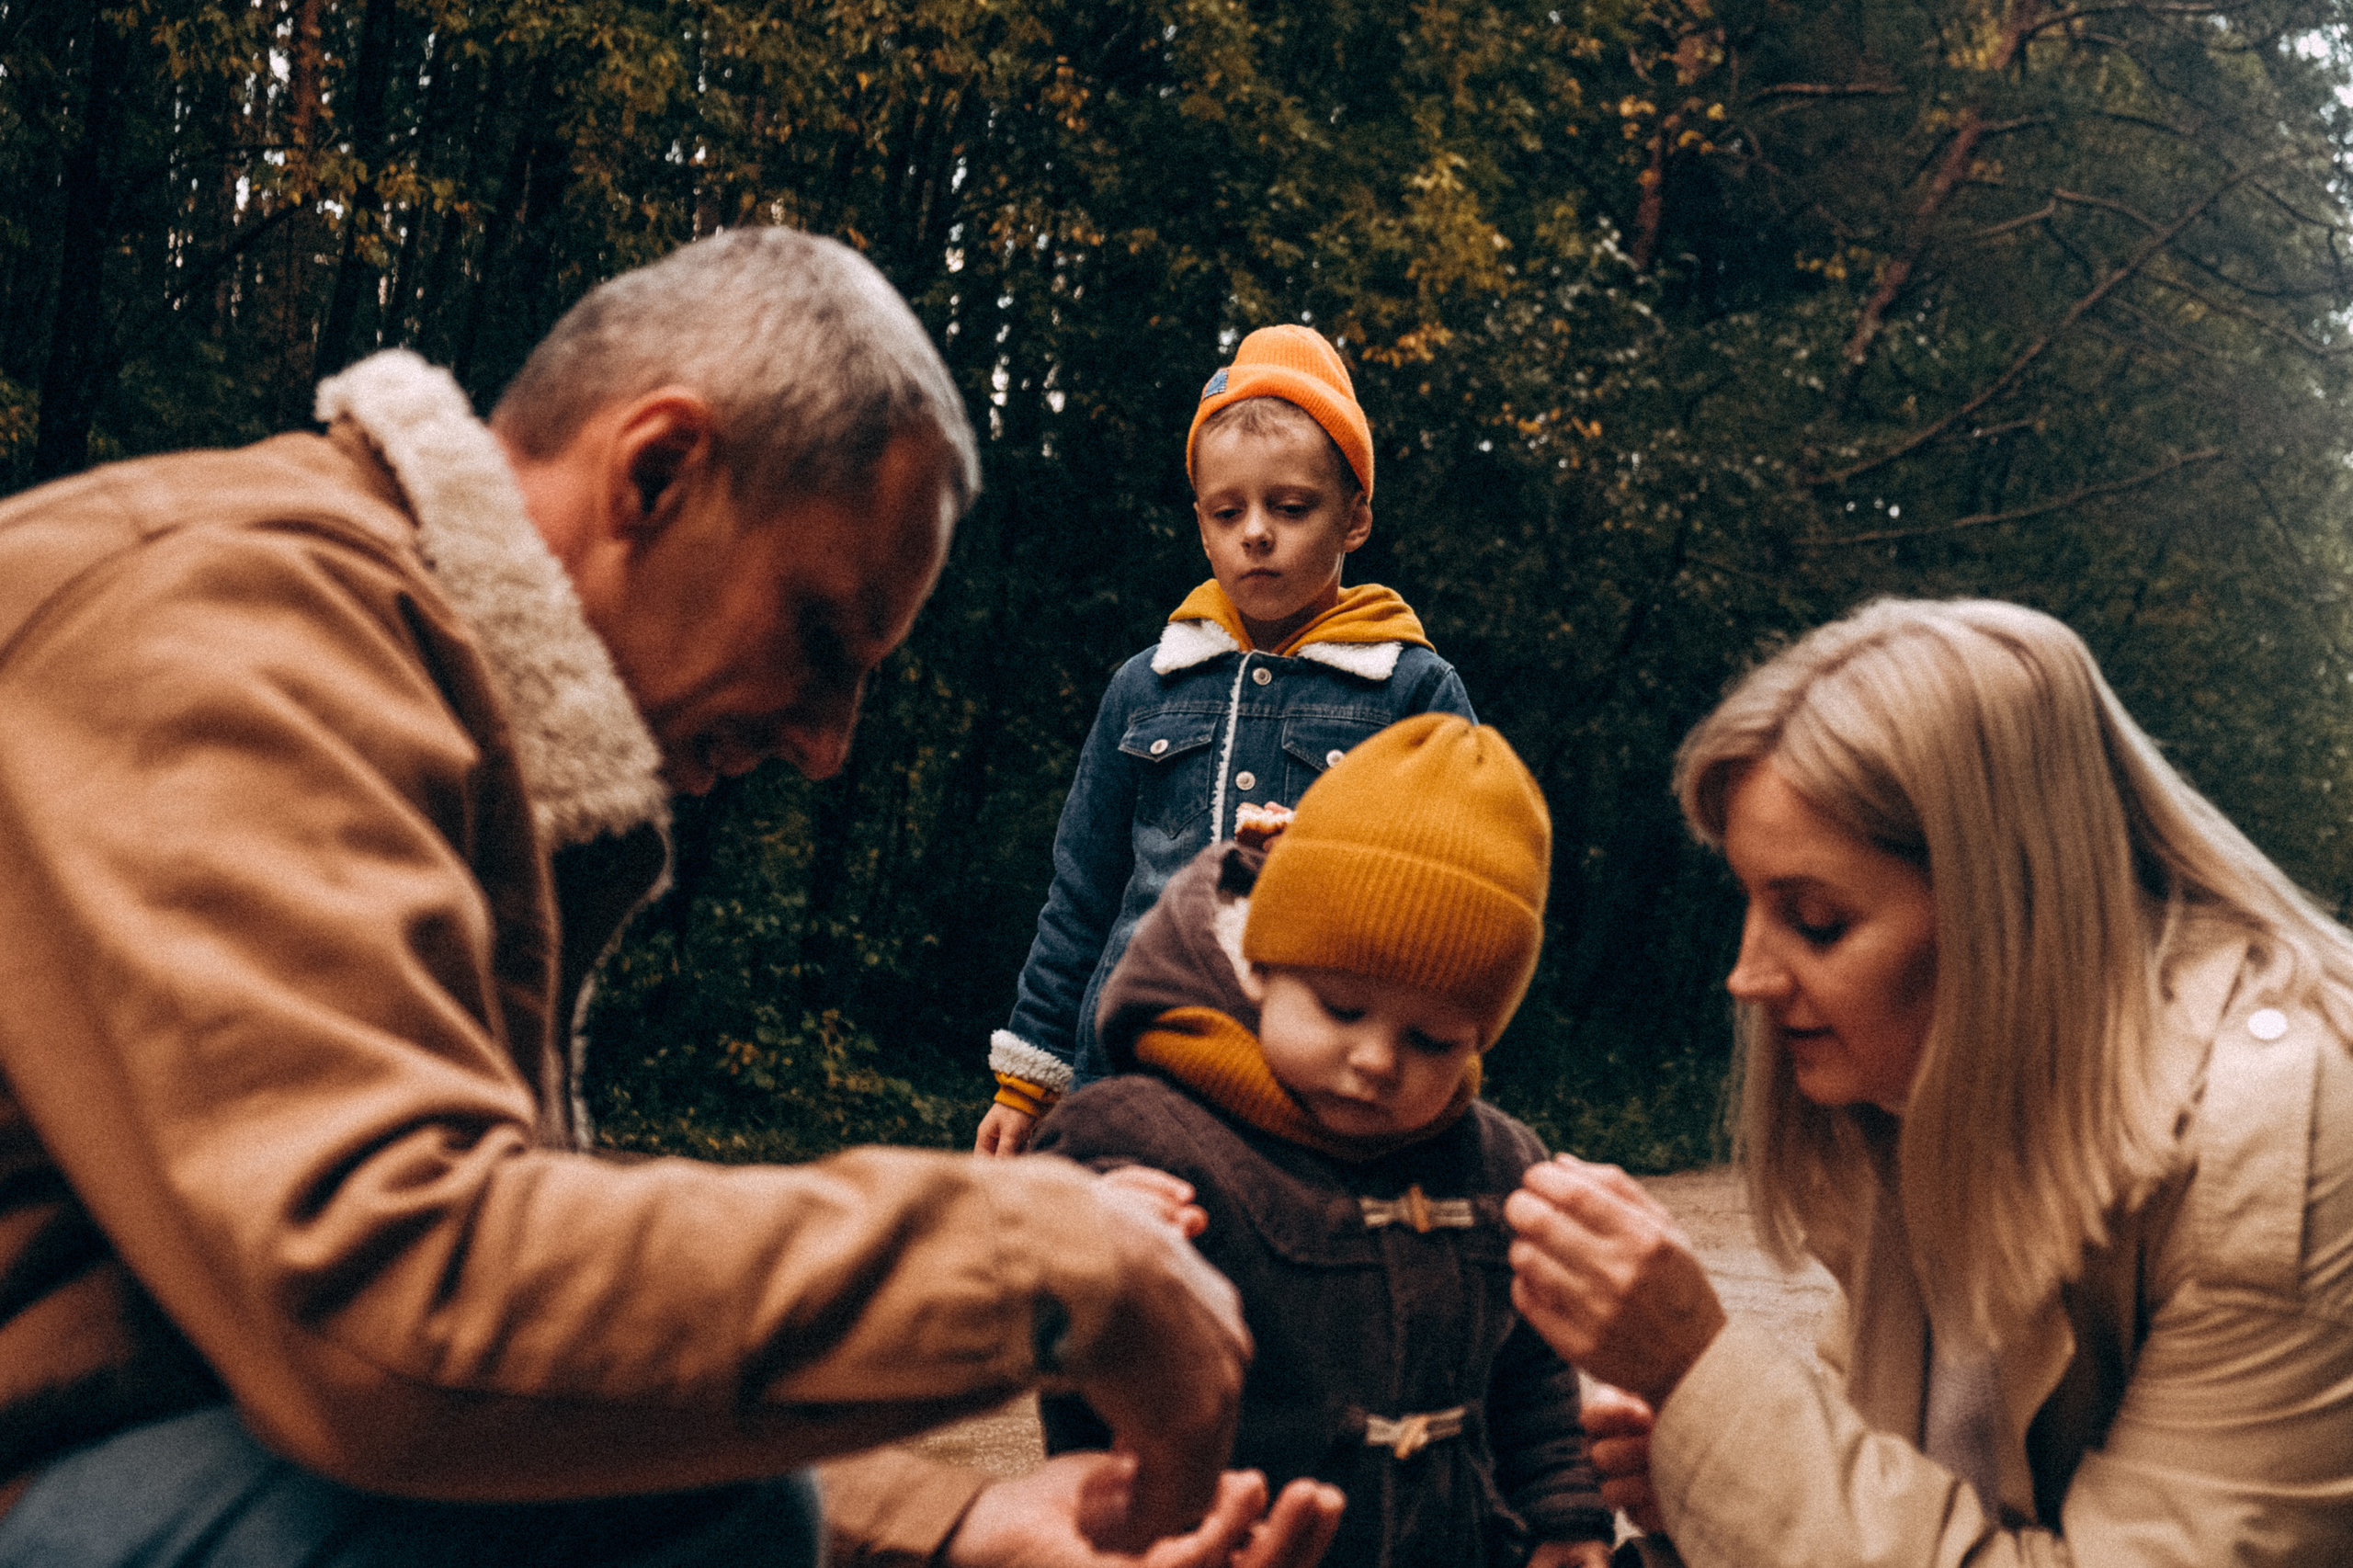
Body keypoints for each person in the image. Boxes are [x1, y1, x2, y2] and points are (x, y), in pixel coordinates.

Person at [0, 227, 1343, 1568]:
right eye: (823, 638)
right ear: (656, 471)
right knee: (715, 1517)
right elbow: (390, 1309)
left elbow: (542, 1362)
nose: (828, 744)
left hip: (118, 1469)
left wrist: (955, 1516)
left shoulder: (414, 687)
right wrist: (1050, 1260)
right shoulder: (230, 617)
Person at [1504, 598, 2353, 1566]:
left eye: (1815, 919)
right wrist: (1701, 1472)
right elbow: (1909, 1475)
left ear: (2009, 908)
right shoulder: (1930, 1082)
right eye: (1751, 902)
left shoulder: (2280, 1129)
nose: (1746, 976)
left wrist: (1701, 1370)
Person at [1029, 714, 1616, 1567]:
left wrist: (1566, 1522)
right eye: (1342, 1009)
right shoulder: (1137, 1137)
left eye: (1433, 1041)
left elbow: (1532, 1381)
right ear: (1262, 966)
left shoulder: (1498, 1167)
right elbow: (1042, 1337)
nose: (1377, 1061)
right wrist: (1080, 1247)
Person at [976, 324, 1477, 1154]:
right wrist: (1029, 1080)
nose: (1256, 532)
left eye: (1290, 508)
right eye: (1228, 510)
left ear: (1353, 520)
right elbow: (1082, 896)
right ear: (1202, 526)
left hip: (1308, 1085)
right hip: (1129, 1067)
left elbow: (1452, 909)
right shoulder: (1146, 688)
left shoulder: (1412, 690)